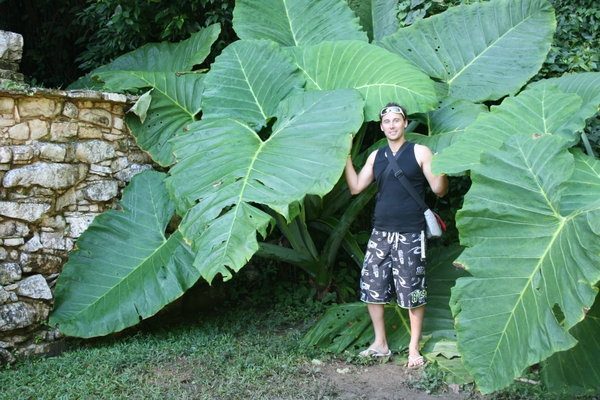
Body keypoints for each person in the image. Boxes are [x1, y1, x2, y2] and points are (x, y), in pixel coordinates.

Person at [345, 102, 448, 368]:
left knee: (412, 290)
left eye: (396, 120)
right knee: (372, 285)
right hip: (380, 231)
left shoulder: (420, 151)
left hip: (410, 233)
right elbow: (356, 187)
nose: (391, 125)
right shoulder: (375, 156)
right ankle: (380, 343)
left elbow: (439, 190)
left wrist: (444, 164)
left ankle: (414, 348)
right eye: (386, 121)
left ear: (404, 123)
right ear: (381, 127)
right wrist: (345, 157)